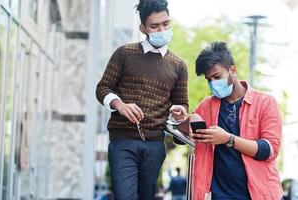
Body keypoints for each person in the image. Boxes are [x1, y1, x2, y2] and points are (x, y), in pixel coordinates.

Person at [95, 0, 188, 199]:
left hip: (155, 145)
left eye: (166, 23)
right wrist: (118, 104)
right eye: (155, 26)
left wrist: (179, 110)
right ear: (143, 28)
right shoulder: (124, 53)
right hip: (123, 141)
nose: (162, 29)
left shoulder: (179, 66)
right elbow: (102, 88)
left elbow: (182, 103)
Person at [189, 41, 283, 200]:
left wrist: (228, 139)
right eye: (208, 79)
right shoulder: (206, 105)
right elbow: (189, 131)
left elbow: (269, 150)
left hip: (258, 194)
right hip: (219, 195)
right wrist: (183, 118)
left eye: (217, 76)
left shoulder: (265, 103)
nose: (213, 84)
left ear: (232, 70)